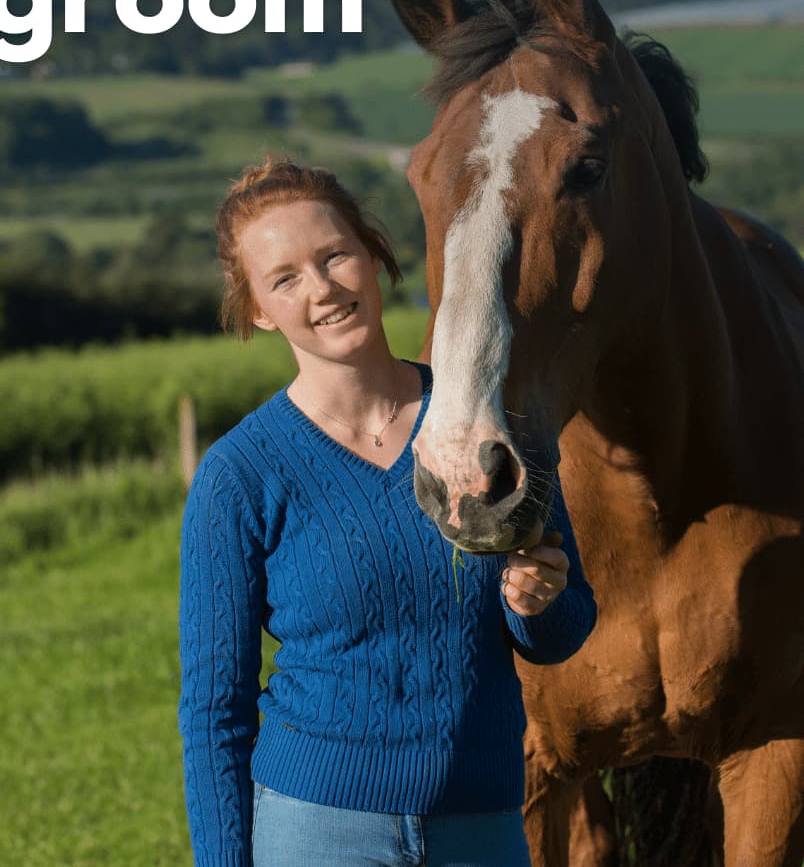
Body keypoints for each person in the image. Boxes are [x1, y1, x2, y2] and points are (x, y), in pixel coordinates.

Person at [178, 158, 597, 867]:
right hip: (316, 830)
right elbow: (215, 714)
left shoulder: (489, 429)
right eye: (285, 279)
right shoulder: (239, 476)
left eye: (334, 255)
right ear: (256, 309)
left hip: (483, 826)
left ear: (372, 254)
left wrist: (538, 600)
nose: (322, 289)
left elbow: (563, 629)